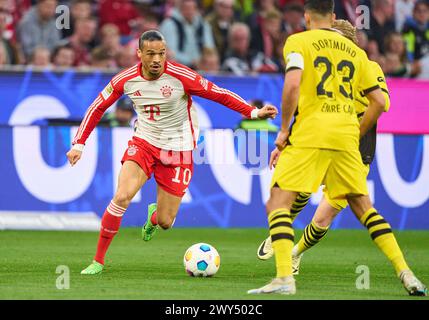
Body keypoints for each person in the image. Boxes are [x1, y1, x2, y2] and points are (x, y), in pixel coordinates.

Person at [247, 0, 425, 296]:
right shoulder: (358, 54)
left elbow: (293, 88)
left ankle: (284, 276)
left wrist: (283, 132)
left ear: (306, 16)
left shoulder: (300, 41)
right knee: (364, 209)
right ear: (332, 17)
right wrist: (355, 128)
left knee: (281, 202)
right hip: (347, 136)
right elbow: (380, 102)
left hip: (315, 131)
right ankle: (405, 272)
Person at [66, 30, 278, 275]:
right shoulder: (125, 80)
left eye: (161, 53)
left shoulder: (180, 76)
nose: (157, 59)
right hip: (144, 142)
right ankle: (98, 261)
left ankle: (154, 216)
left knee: (166, 221)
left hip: (178, 150)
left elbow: (218, 93)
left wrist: (253, 112)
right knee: (122, 196)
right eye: (151, 54)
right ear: (139, 54)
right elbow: (97, 107)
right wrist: (79, 143)